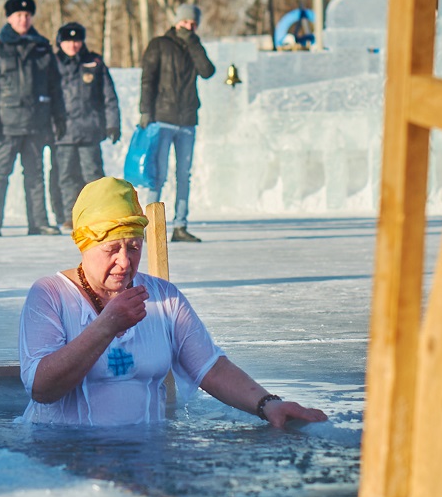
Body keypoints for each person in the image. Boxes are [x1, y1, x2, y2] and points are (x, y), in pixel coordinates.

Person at [18, 176, 328, 427]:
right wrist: (107, 325)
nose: (125, 261)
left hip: (144, 456)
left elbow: (211, 368)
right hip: (62, 457)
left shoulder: (164, 298)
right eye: (112, 249)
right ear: (84, 245)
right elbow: (42, 388)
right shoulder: (49, 295)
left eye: (134, 247)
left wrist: (268, 405)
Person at [0, 0, 66, 237]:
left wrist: (59, 118)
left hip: (37, 122)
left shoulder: (41, 47)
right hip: (6, 124)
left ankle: (38, 222)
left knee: (35, 173)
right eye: (18, 15)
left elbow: (54, 86)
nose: (23, 19)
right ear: (9, 18)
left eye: (27, 15)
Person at [139, 3, 215, 243]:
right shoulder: (160, 44)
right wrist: (145, 111)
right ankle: (149, 225)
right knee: (158, 174)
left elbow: (207, 71)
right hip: (162, 119)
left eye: (193, 24)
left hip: (187, 121)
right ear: (177, 21)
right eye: (185, 23)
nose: (189, 27)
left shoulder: (195, 46)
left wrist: (194, 44)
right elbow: (147, 79)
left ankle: (180, 226)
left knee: (184, 174)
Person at [50, 22, 121, 230]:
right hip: (62, 133)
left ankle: (96, 214)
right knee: (66, 176)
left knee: (93, 176)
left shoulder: (94, 62)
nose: (73, 45)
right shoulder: (52, 64)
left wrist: (113, 123)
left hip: (90, 130)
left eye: (77, 40)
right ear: (60, 42)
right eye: (68, 41)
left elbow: (109, 96)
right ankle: (69, 216)